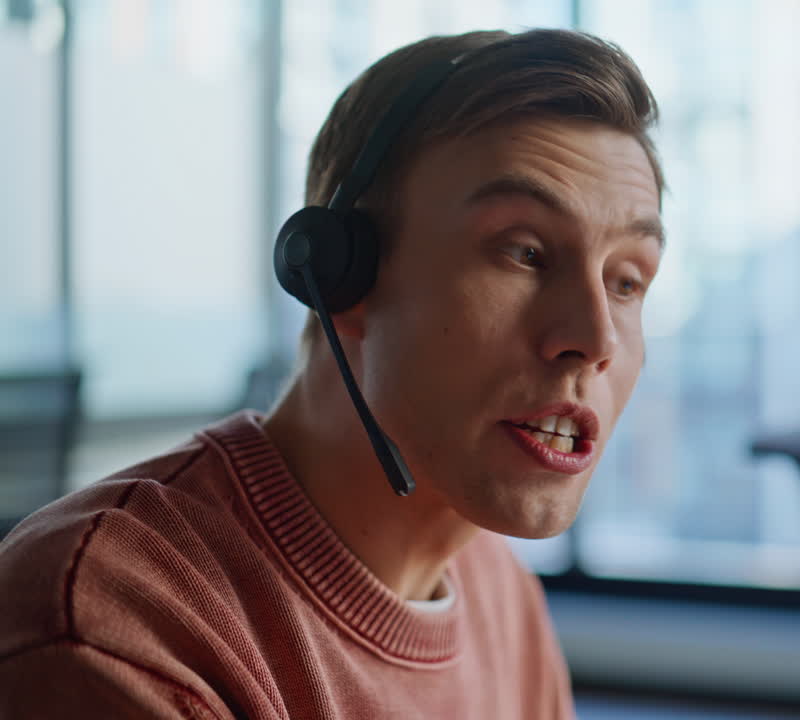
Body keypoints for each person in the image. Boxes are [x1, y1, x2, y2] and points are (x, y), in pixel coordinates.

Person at [0, 28, 664, 718]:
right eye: (524, 252)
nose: (595, 339)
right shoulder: (120, 629)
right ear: (341, 277)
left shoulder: (500, 594)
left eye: (626, 281)